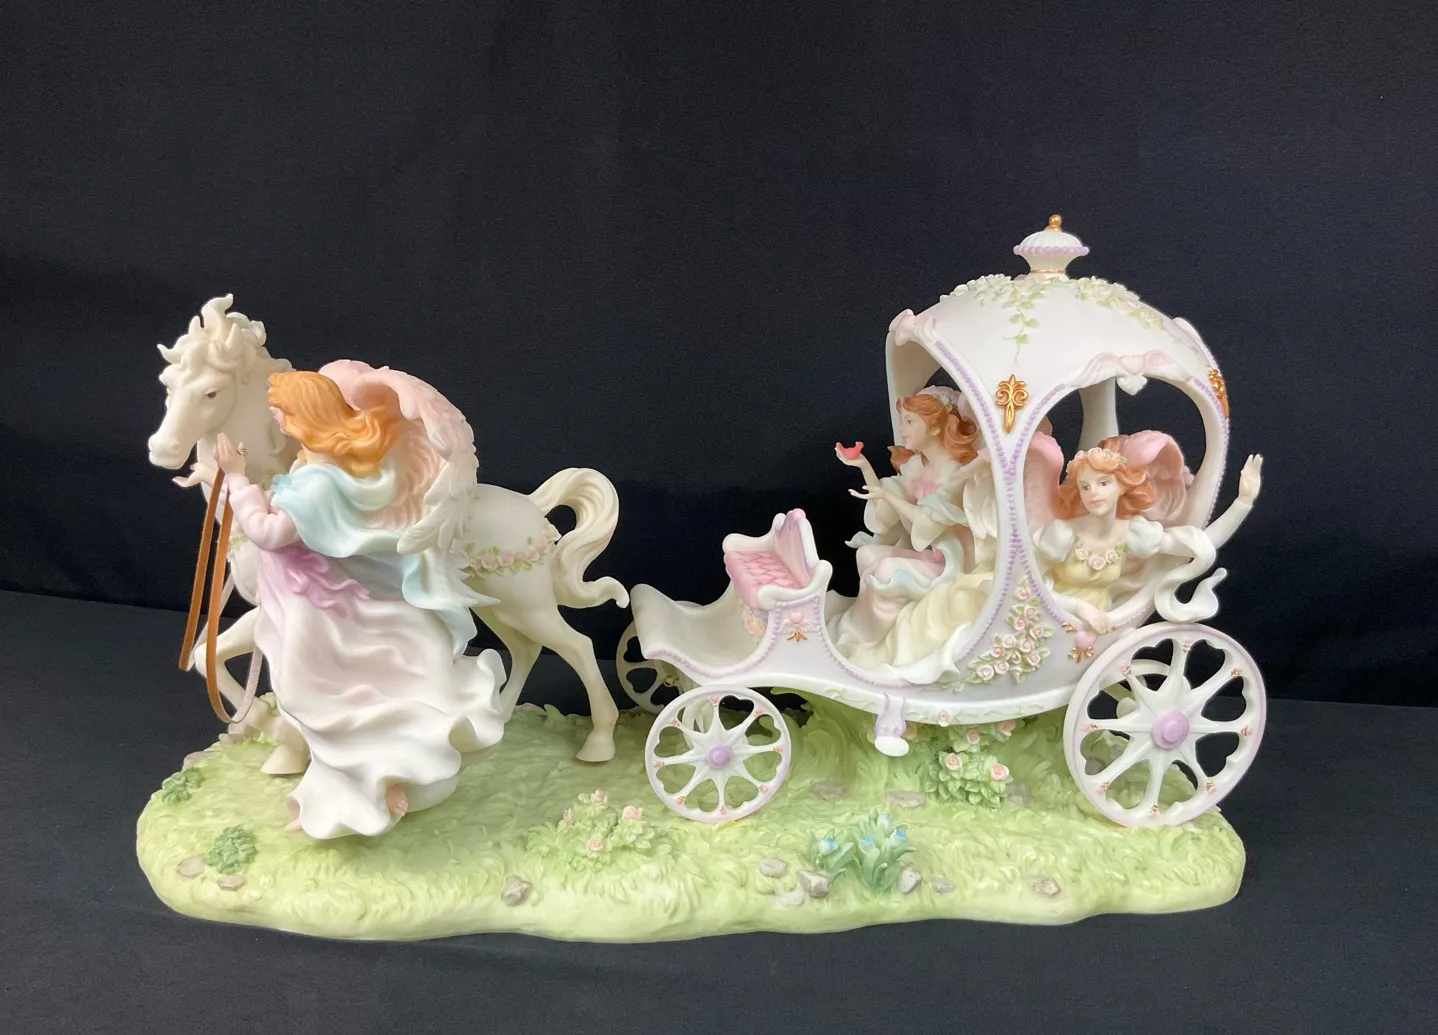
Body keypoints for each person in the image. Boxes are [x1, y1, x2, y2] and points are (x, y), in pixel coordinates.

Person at [212, 370, 507, 839]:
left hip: (315, 608)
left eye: (282, 411)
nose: (277, 419)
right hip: (303, 597)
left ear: (305, 416)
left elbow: (269, 533)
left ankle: (371, 784)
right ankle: (356, 787)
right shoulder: (316, 469)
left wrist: (236, 480)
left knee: (315, 696)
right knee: (316, 699)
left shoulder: (318, 484)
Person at [829, 385, 992, 667]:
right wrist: (865, 467)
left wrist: (888, 496)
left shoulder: (954, 472)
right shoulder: (918, 467)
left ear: (934, 427)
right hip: (925, 552)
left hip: (951, 561)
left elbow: (929, 521)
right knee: (866, 554)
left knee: (887, 569)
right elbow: (889, 508)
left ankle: (876, 648)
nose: (902, 429)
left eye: (909, 421)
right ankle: (862, 636)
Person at [1034, 439, 1262, 633]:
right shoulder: (1062, 533)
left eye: (1103, 483)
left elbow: (1199, 545)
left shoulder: (1132, 532)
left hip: (1101, 629)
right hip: (1050, 625)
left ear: (1121, 486)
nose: (1093, 493)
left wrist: (1243, 502)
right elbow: (1027, 585)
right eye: (1085, 487)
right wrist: (1078, 608)